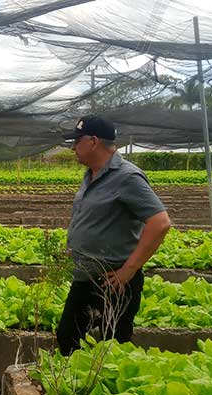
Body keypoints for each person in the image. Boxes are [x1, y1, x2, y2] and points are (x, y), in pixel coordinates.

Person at [56, 115, 171, 355]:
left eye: (77, 141)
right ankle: (77, 390)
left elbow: (160, 222)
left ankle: (105, 391)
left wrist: (128, 271)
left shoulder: (128, 177)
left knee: (113, 347)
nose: (73, 147)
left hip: (114, 281)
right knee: (68, 337)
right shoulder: (92, 175)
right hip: (86, 276)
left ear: (94, 141)